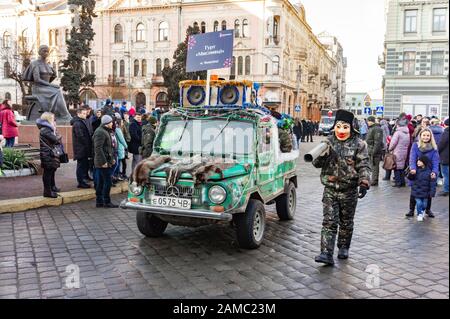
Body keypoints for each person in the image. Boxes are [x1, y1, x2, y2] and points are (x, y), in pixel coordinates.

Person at [312, 110, 371, 265]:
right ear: (334, 127)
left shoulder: (359, 144)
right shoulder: (328, 142)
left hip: (349, 190)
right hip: (330, 189)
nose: (341, 130)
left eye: (345, 127)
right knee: (329, 221)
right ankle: (326, 253)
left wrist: (364, 182)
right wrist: (322, 156)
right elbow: (316, 163)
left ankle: (344, 246)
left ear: (352, 127)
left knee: (346, 221)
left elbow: (364, 165)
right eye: (338, 126)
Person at [22, 45, 72, 122]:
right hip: (38, 88)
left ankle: (61, 115)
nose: (46, 53)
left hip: (46, 88)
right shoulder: (35, 63)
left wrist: (53, 75)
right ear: (39, 52)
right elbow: (37, 79)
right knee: (57, 91)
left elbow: (51, 76)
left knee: (58, 91)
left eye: (47, 51)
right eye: (44, 51)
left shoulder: (47, 64)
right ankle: (65, 115)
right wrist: (50, 85)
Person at [406, 128, 440, 218]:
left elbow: (436, 162)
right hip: (416, 172)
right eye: (424, 135)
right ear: (420, 136)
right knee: (414, 191)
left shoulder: (434, 148)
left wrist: (434, 172)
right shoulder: (415, 145)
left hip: (428, 173)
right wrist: (413, 168)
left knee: (428, 192)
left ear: (430, 137)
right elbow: (412, 158)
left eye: (428, 135)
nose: (425, 137)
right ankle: (411, 210)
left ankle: (428, 209)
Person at [93, 115, 118, 208]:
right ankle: (106, 202)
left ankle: (99, 202)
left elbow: (109, 148)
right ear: (107, 123)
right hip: (103, 163)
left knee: (101, 182)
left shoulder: (106, 131)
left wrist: (112, 159)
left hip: (107, 161)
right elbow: (98, 148)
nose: (112, 123)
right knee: (107, 182)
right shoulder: (100, 132)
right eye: (111, 122)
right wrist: (103, 162)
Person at [37, 112, 62, 198]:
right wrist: (56, 132)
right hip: (47, 154)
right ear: (48, 119)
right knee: (48, 173)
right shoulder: (46, 130)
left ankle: (52, 188)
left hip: (49, 153)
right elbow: (56, 139)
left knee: (51, 171)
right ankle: (47, 191)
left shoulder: (48, 129)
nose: (54, 120)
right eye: (52, 118)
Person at [407, 155, 437, 222]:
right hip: (416, 191)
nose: (418, 162)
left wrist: (432, 192)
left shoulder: (429, 172)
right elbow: (410, 178)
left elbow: (432, 184)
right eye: (418, 161)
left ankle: (422, 211)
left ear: (424, 163)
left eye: (420, 161)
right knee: (419, 203)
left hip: (425, 193)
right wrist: (411, 173)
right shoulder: (415, 170)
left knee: (424, 205)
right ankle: (419, 214)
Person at [71, 108, 92, 188]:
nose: (85, 115)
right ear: (78, 114)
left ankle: (83, 179)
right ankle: (80, 182)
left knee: (84, 165)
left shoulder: (82, 121)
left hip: (84, 148)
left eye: (85, 113)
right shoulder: (77, 123)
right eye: (83, 113)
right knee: (81, 166)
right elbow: (81, 137)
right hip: (81, 149)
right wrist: (87, 145)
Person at [388, 118, 410, 187]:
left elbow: (393, 143)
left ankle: (398, 182)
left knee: (396, 167)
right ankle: (402, 182)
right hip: (404, 152)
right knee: (402, 167)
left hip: (397, 152)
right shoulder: (407, 133)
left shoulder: (397, 133)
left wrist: (389, 149)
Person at [366, 116, 384, 186]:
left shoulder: (377, 129)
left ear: (371, 121)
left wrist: (374, 151)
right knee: (372, 166)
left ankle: (374, 180)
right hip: (371, 149)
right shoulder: (372, 128)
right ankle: (373, 179)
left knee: (375, 166)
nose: (367, 123)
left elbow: (377, 142)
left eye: (368, 121)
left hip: (375, 151)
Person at [438, 118, 449, 196]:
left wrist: (437, 151)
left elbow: (441, 144)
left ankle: (446, 190)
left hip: (445, 157)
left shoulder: (446, 132)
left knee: (445, 174)